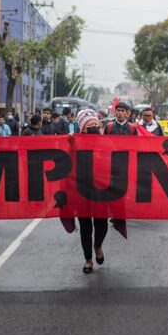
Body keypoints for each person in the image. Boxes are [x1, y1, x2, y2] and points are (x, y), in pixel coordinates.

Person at [75, 109, 111, 274]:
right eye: (90, 125)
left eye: (95, 123)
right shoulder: (74, 143)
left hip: (102, 191)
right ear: (82, 128)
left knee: (102, 225)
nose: (94, 126)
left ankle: (98, 245)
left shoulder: (107, 143)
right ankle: (88, 259)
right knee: (85, 228)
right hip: (81, 191)